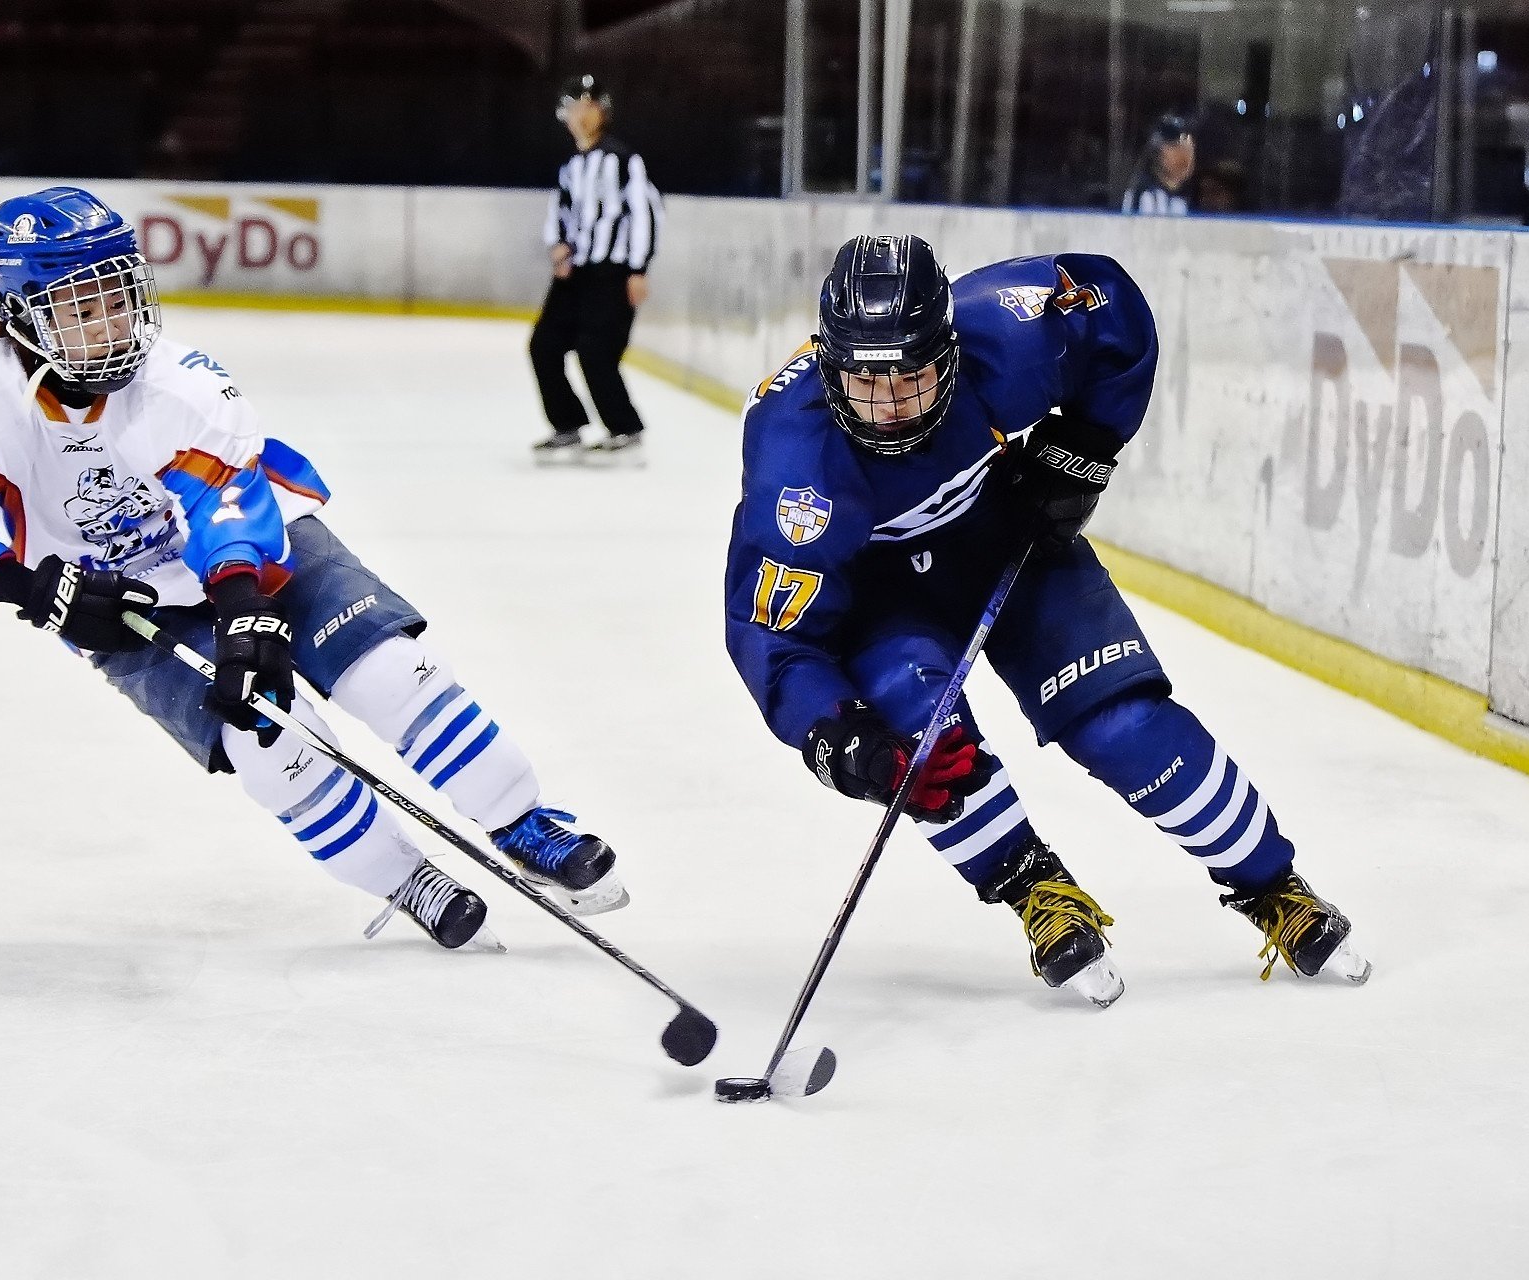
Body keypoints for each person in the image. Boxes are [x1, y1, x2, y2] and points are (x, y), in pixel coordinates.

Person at [0, 186, 630, 951]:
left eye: (119, 295)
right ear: (18, 313)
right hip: (121, 604)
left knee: (389, 670)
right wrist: (34, 591)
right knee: (272, 741)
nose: (112, 323)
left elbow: (225, 502)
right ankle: (404, 877)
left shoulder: (181, 384)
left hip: (254, 556)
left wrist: (244, 604)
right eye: (82, 308)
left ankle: (521, 819)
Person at [725, 234, 1369, 1005]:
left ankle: (1274, 886)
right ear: (831, 368)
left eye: (914, 379)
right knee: (922, 748)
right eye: (867, 384)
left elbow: (1115, 312)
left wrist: (1083, 446)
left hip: (1010, 542)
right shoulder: (795, 469)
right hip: (881, 597)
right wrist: (831, 729)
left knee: (1124, 723)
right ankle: (1034, 889)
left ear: (952, 352)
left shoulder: (1008, 327)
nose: (892, 408)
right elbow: (774, 631)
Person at [529, 74, 663, 466]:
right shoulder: (572, 166)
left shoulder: (623, 161)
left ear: (599, 110)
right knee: (544, 345)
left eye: (585, 105)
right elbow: (562, 213)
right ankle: (567, 424)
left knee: (596, 351)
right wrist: (558, 247)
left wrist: (638, 269)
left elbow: (645, 214)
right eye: (574, 106)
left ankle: (625, 428)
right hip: (576, 273)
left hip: (613, 272)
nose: (577, 114)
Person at [1121, 114, 1196, 216]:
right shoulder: (1144, 194)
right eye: (1174, 145)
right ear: (1159, 152)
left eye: (1187, 144)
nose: (1185, 152)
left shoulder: (1197, 194)